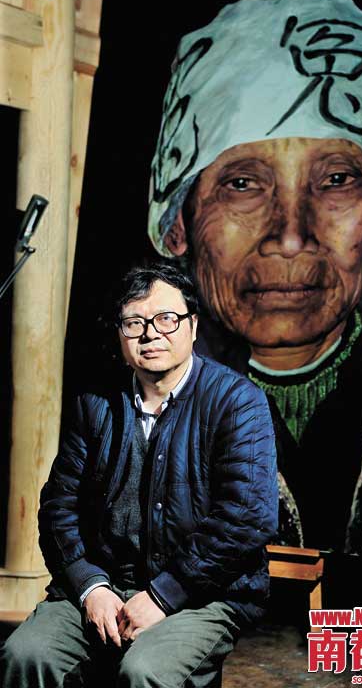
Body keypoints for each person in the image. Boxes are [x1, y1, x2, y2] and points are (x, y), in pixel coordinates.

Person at [147, 0, 362, 567]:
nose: (291, 237)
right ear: (178, 225)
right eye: (242, 184)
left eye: (337, 180)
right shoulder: (132, 384)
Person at [0, 260, 278, 688]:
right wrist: (90, 587)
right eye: (134, 323)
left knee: (145, 671)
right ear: (120, 333)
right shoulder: (94, 403)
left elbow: (247, 517)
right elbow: (58, 507)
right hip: (105, 586)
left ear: (193, 326)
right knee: (24, 655)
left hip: (200, 593)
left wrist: (165, 594)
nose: (150, 334)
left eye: (166, 319)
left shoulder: (237, 402)